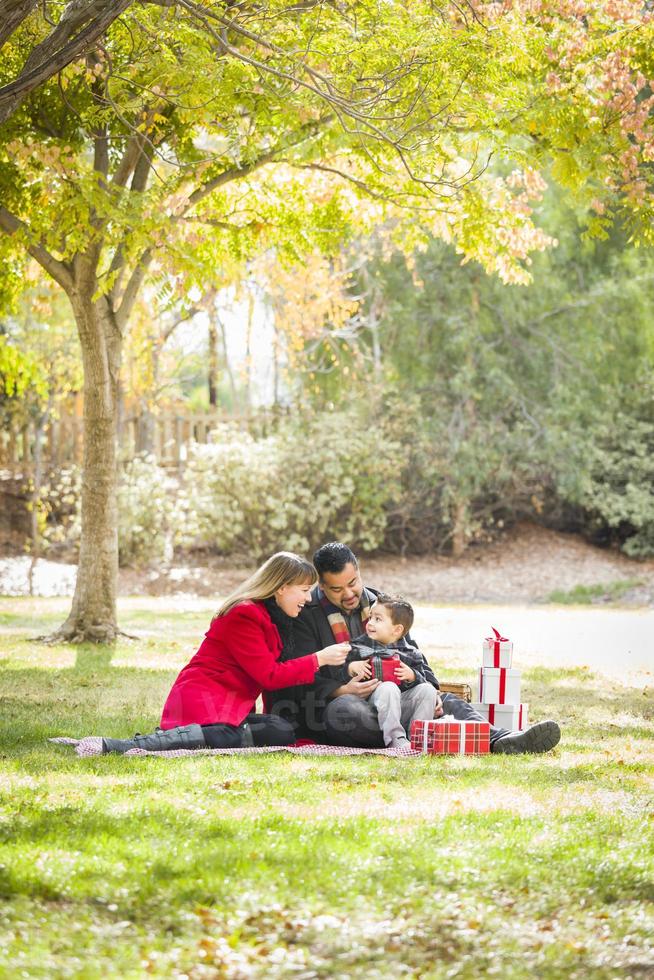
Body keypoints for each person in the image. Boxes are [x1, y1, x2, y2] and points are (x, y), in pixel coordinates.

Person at [267, 542, 561, 754]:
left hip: (401, 698)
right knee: (344, 712)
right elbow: (298, 675)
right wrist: (340, 690)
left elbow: (414, 656)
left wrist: (426, 685)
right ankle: (421, 733)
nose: (349, 594)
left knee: (445, 698)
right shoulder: (306, 613)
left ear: (359, 571)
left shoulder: (382, 605)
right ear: (321, 584)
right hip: (348, 705)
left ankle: (501, 739)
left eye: (353, 583)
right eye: (336, 589)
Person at [101, 552, 350, 754]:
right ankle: (151, 742)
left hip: (229, 706)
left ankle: (193, 737)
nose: (308, 598)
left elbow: (274, 678)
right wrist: (320, 658)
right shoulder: (245, 614)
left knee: (280, 731)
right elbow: (269, 676)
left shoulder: (273, 617)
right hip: (203, 698)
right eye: (304, 590)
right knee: (234, 734)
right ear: (282, 587)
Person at [331, 593, 437, 748]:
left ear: (397, 630)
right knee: (388, 687)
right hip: (370, 708)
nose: (370, 623)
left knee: (427, 690)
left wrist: (413, 676)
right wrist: (350, 668)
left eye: (378, 619)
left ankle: (420, 738)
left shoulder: (411, 653)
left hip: (402, 706)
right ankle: (395, 739)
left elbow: (426, 679)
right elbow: (336, 673)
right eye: (371, 617)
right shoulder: (357, 648)